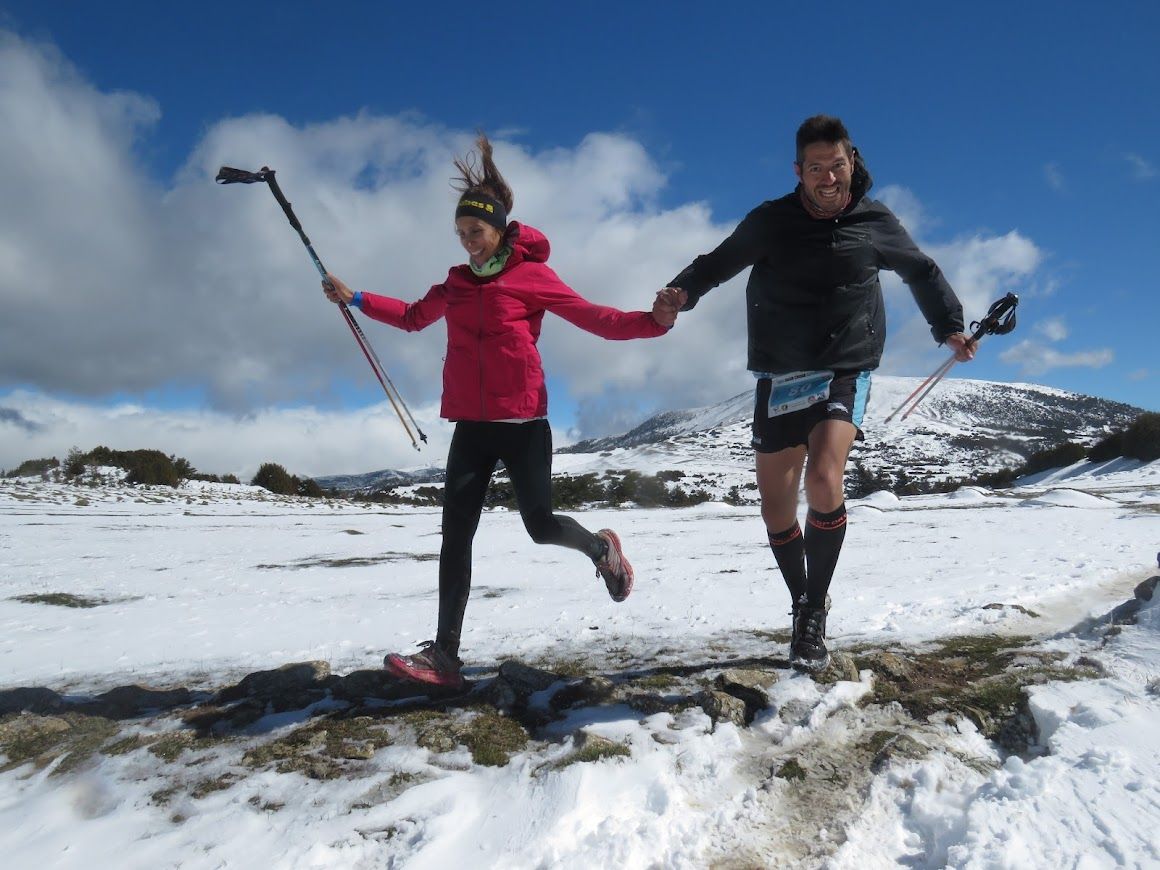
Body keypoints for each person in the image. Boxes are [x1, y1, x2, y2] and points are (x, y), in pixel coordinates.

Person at [323, 134, 680, 691]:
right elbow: (415, 317)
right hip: (471, 426)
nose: (468, 243)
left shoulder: (531, 277)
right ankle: (445, 656)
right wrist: (358, 298)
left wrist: (653, 321)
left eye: (476, 232)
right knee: (454, 534)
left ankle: (600, 548)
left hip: (522, 425)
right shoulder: (456, 285)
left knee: (539, 527)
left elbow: (595, 318)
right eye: (461, 233)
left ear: (500, 230)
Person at [661, 115, 975, 672]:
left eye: (838, 165)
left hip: (844, 366)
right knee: (776, 506)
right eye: (816, 168)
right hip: (781, 373)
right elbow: (718, 264)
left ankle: (811, 616)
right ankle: (803, 598)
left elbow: (920, 270)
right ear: (798, 171)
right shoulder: (771, 220)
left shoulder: (874, 220)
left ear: (852, 161)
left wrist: (948, 324)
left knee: (824, 478)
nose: (829, 178)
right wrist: (680, 293)